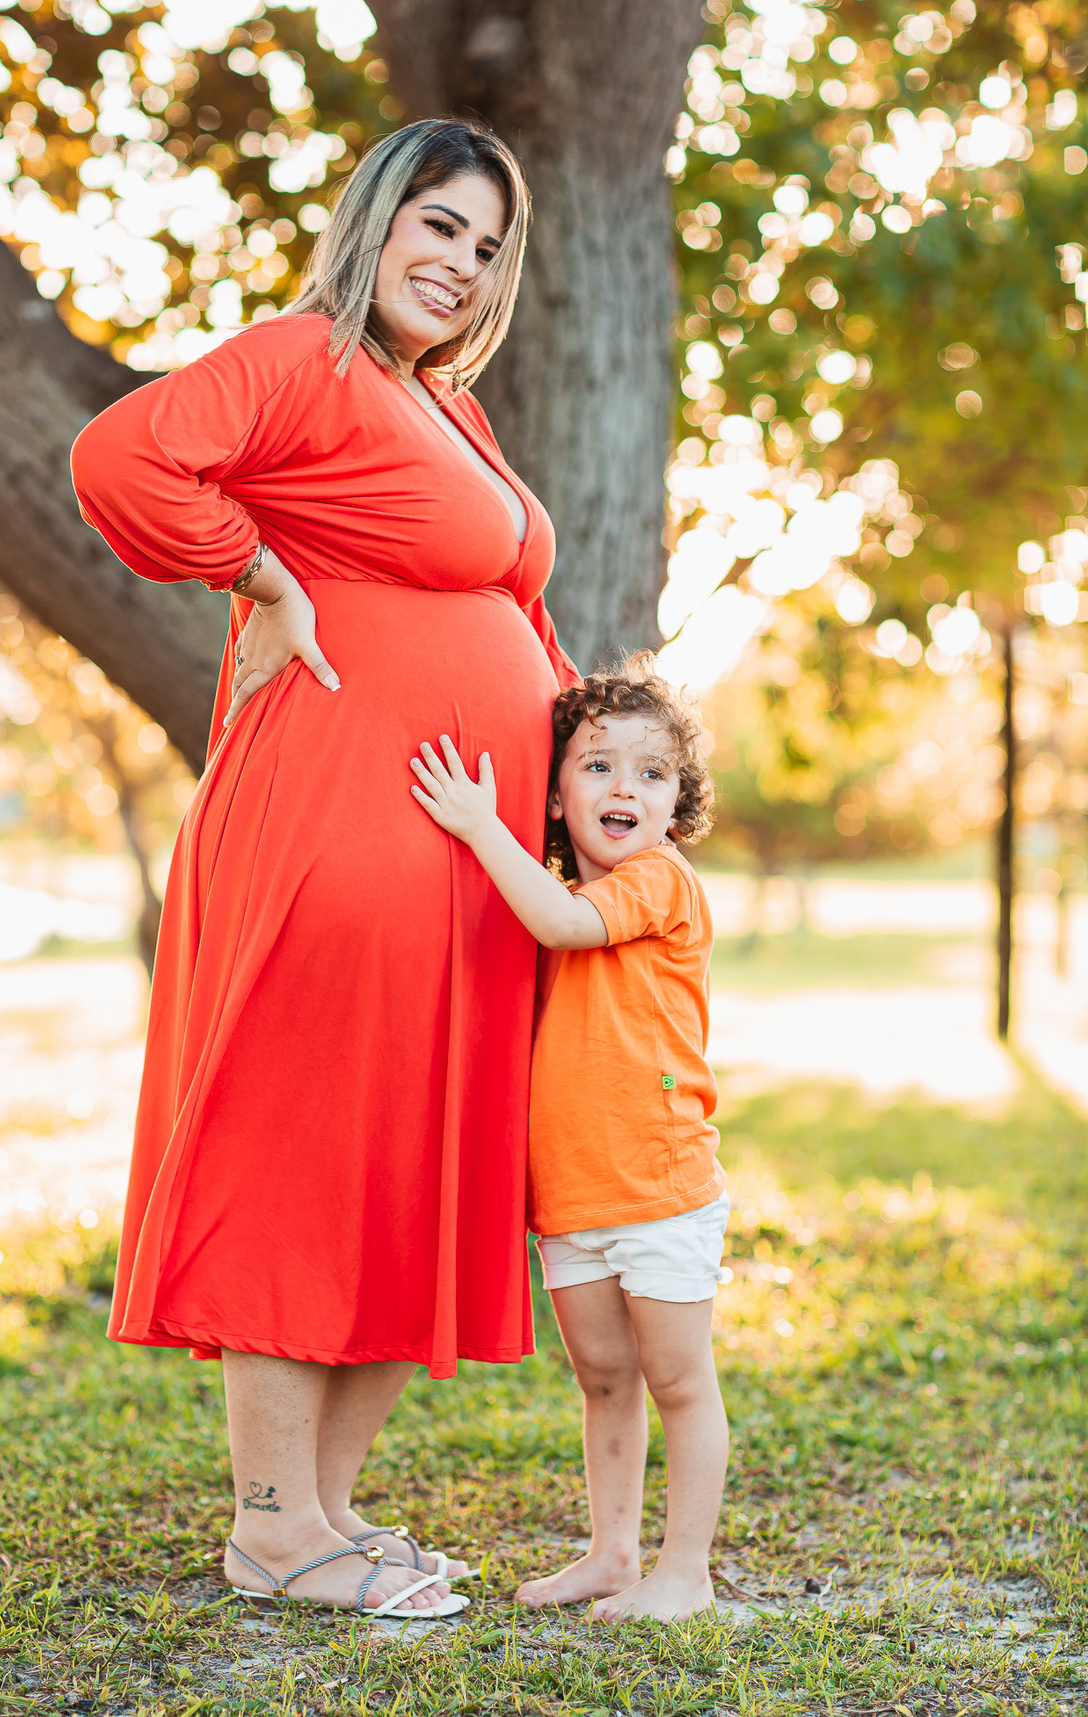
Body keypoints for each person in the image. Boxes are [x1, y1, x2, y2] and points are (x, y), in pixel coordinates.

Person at [70, 118, 578, 1617]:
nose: (460, 262)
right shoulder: (307, 353)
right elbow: (123, 456)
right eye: (437, 224)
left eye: (487, 246)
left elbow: (506, 612)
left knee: (402, 1158)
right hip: (345, 817)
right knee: (314, 1148)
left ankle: (324, 1519)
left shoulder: (447, 409)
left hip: (461, 849)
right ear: (373, 221)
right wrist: (263, 572)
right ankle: (273, 1524)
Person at [409, 658, 728, 1623]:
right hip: (576, 1195)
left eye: (652, 772)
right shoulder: (558, 889)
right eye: (597, 766)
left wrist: (476, 825)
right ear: (557, 792)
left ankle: (688, 1574)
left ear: (678, 804)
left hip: (661, 1185)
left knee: (678, 1382)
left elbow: (557, 922)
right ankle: (612, 1556)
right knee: (603, 1381)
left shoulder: (656, 882)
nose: (625, 786)